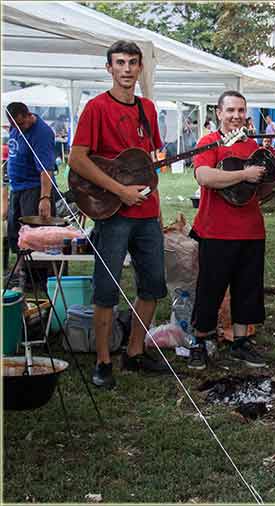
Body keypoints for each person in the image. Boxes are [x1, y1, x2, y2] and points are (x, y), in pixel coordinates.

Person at [68, 40, 169, 388]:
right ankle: (103, 361)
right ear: (109, 68)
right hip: (113, 213)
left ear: (141, 68)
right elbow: (77, 158)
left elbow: (149, 162)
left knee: (153, 285)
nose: (127, 69)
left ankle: (135, 352)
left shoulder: (148, 109)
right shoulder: (96, 107)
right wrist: (119, 191)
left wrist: (156, 206)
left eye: (133, 63)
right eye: (120, 62)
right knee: (106, 288)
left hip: (147, 212)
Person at [188, 90, 275, 370]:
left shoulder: (253, 147)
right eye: (230, 110)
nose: (236, 116)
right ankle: (200, 341)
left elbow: (261, 190)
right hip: (215, 230)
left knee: (247, 289)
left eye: (240, 110)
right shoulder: (209, 142)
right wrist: (243, 174)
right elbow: (204, 176)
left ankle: (241, 342)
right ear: (219, 113)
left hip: (250, 230)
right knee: (210, 288)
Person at [5, 102, 59, 288]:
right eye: (14, 125)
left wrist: (44, 198)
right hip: (18, 187)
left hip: (34, 188)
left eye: (21, 124)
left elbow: (46, 169)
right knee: (16, 232)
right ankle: (20, 269)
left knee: (34, 234)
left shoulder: (42, 133)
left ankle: (35, 279)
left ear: (28, 115)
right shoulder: (16, 127)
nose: (19, 128)